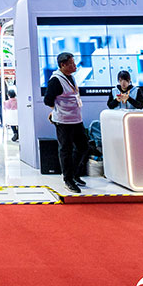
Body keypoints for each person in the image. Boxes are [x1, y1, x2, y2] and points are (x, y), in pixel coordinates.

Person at [43, 52, 89, 193]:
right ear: (63, 65)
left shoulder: (71, 77)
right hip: (64, 121)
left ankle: (74, 174)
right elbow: (47, 100)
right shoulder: (56, 80)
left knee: (83, 147)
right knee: (66, 150)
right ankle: (68, 180)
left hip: (76, 119)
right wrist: (56, 110)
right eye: (72, 63)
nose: (75, 66)